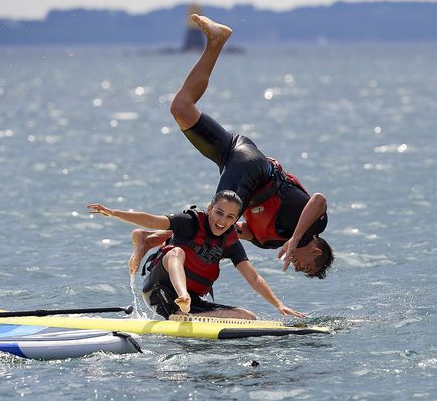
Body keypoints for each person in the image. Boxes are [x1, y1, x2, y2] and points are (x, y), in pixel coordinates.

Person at [130, 14, 334, 279]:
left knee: (181, 108)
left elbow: (225, 228)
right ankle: (157, 255)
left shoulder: (268, 242)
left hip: (236, 157)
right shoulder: (315, 224)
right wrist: (295, 239)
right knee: (214, 223)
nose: (296, 265)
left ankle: (216, 41)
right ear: (316, 251)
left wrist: (165, 236)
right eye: (305, 266)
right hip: (256, 170)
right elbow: (319, 199)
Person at [87, 190, 305, 320]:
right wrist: (114, 213)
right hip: (159, 291)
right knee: (177, 252)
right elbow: (153, 220)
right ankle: (183, 300)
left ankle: (187, 313)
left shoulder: (230, 241)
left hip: (192, 304)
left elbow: (253, 277)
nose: (222, 221)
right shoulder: (189, 221)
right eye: (219, 212)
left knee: (248, 318)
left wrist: (278, 305)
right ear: (210, 208)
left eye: (230, 217)